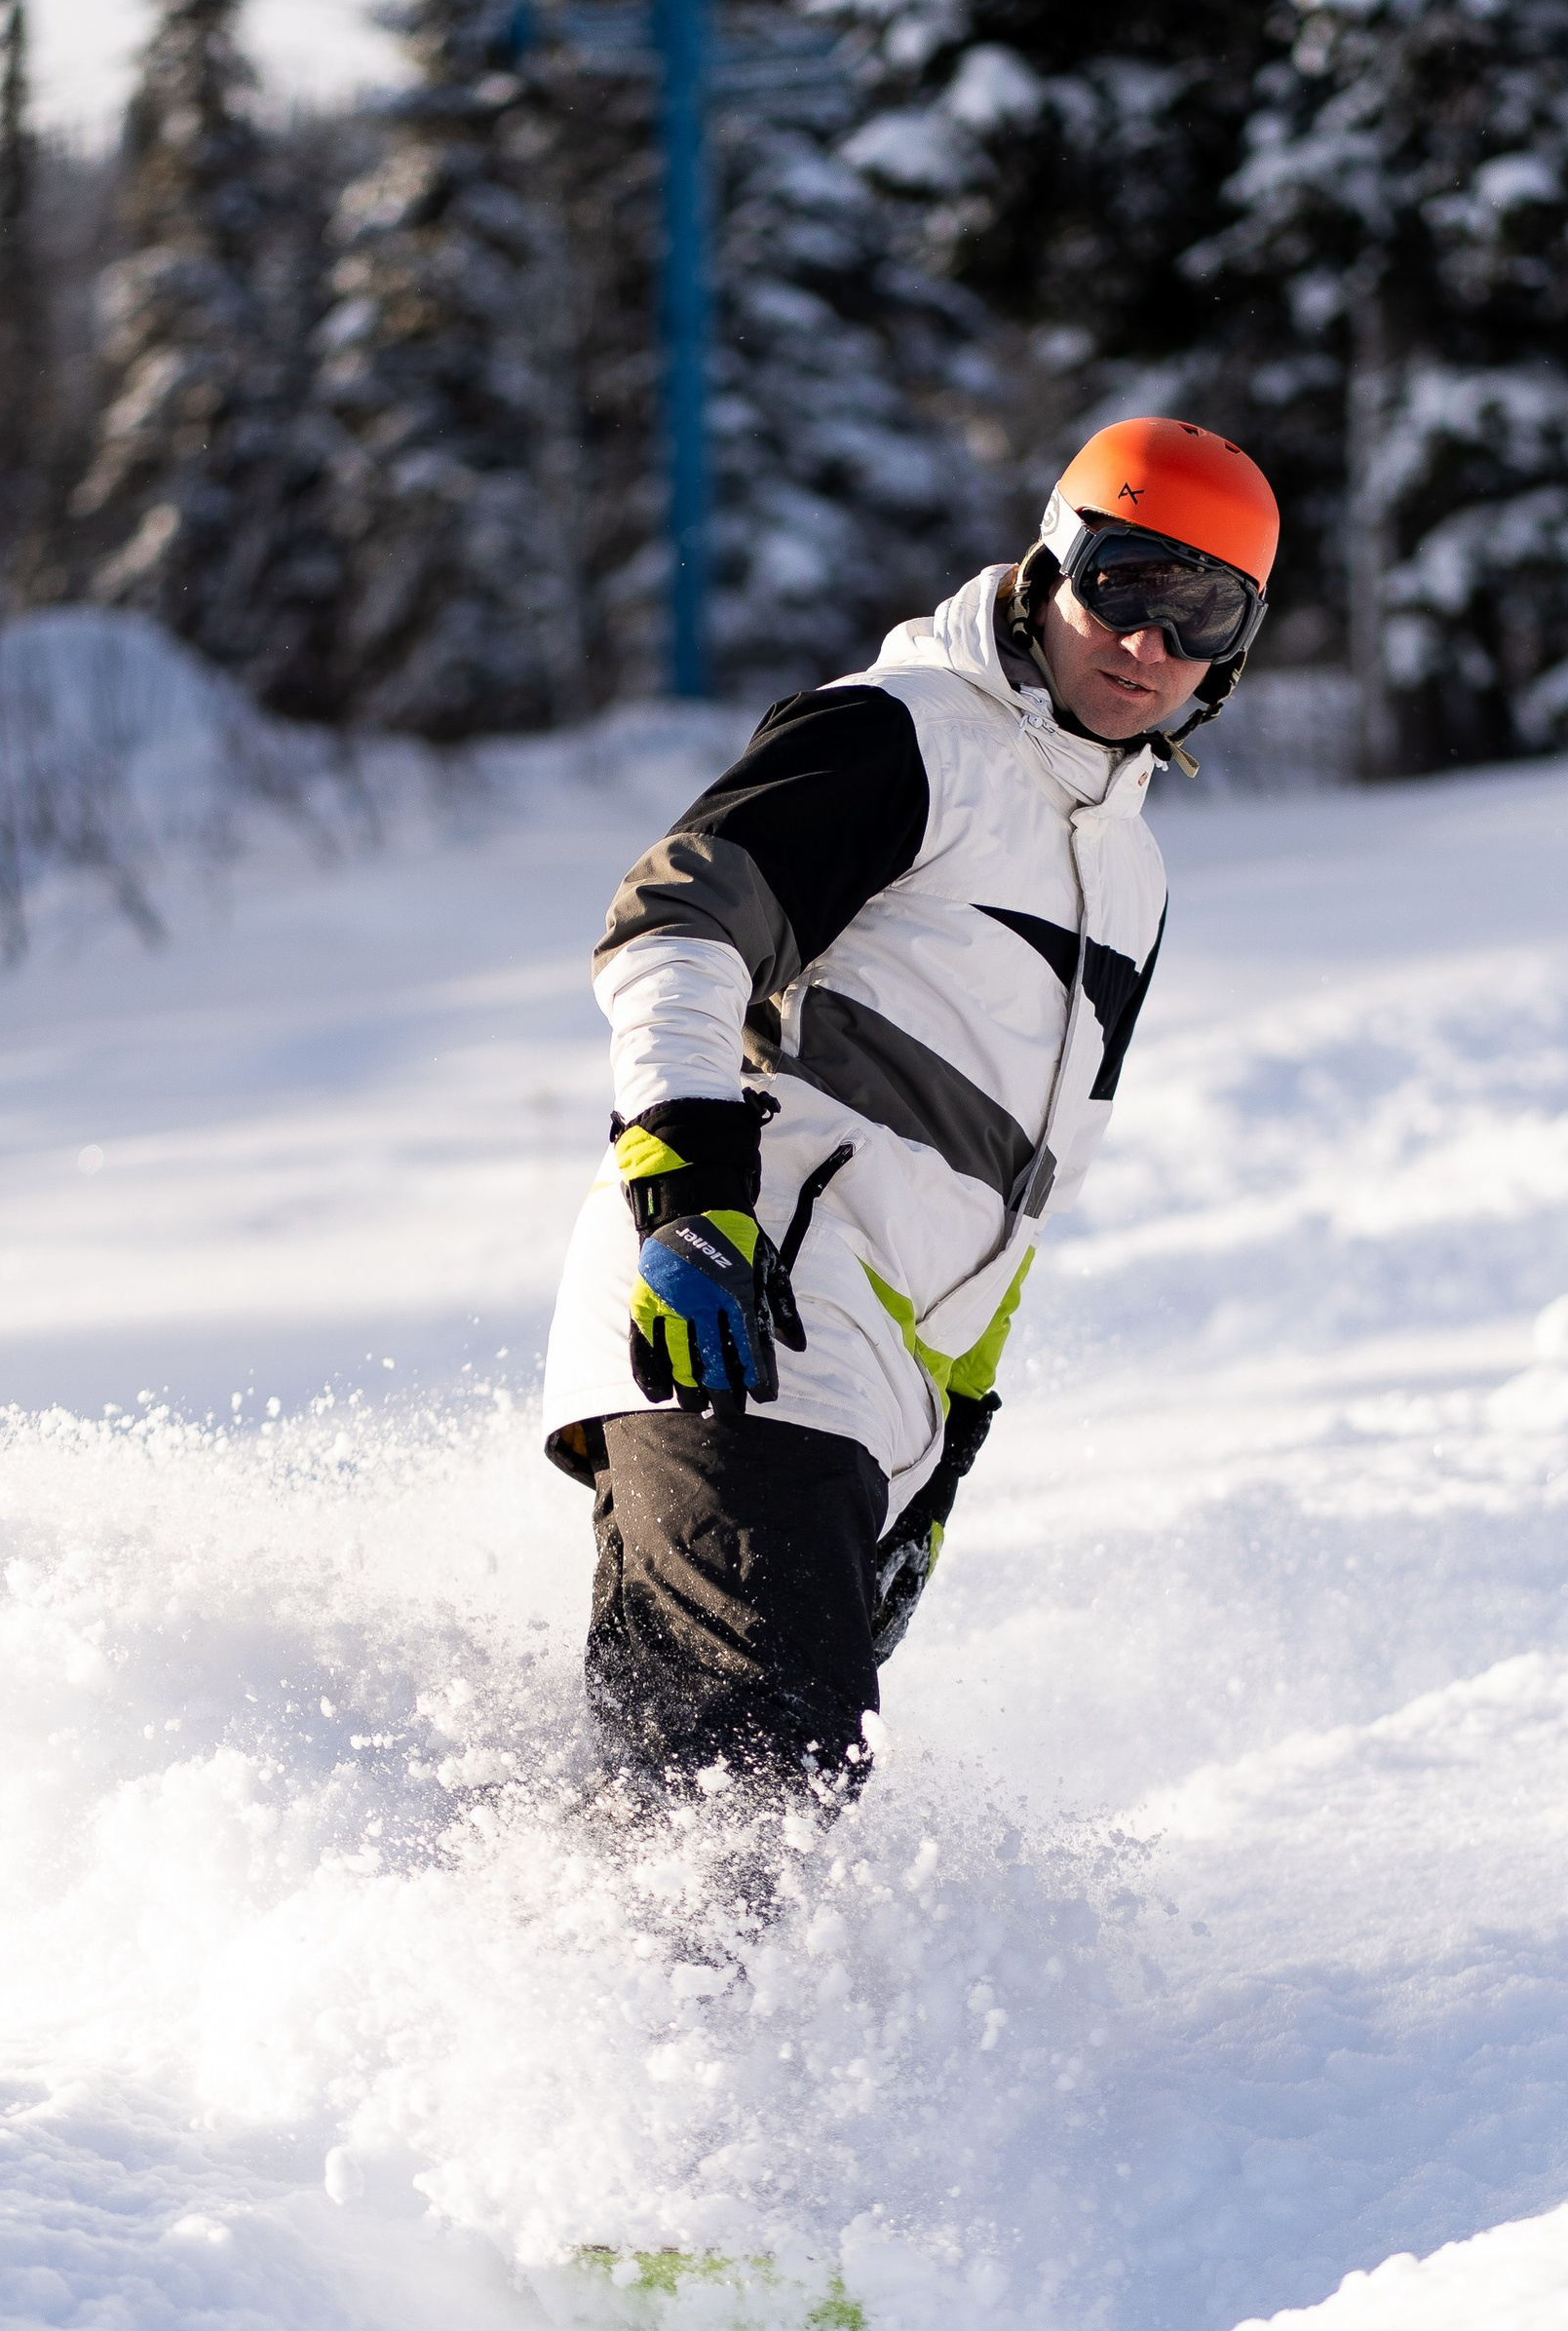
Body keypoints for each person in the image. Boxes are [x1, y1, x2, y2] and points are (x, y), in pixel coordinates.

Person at [541, 414, 1280, 1805]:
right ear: (1051, 563)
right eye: (1125, 585)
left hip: (861, 1385)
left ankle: (468, 1964)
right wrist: (685, 1192)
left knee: (675, 1790)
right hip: (739, 1301)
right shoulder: (901, 732)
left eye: (1203, 616)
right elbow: (676, 929)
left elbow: (1014, 1187)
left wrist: (943, 1453)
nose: (1147, 648)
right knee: (764, 1778)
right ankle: (692, 2026)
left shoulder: (1129, 879)